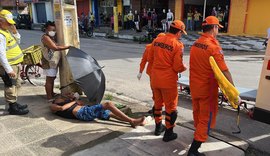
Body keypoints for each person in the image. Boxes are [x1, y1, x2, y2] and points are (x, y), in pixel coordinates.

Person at [188, 16, 241, 156]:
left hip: (194, 87)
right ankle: (194, 150)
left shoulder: (195, 44)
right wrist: (234, 91)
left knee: (197, 113)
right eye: (218, 28)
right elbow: (224, 71)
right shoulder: (213, 47)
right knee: (206, 117)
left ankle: (198, 133)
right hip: (207, 90)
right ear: (214, 28)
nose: (218, 30)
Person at [149, 20, 187, 142]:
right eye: (182, 32)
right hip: (168, 81)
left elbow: (150, 58)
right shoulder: (178, 45)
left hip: (155, 79)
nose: (181, 35)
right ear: (179, 32)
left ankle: (158, 128)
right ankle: (169, 133)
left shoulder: (156, 41)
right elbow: (177, 67)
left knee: (158, 104)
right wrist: (184, 67)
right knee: (171, 108)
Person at [50, 95, 146, 128]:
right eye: (60, 98)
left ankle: (132, 121)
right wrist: (74, 101)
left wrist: (76, 101)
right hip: (82, 113)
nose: (62, 98)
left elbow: (81, 105)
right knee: (108, 104)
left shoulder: (68, 102)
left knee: (110, 113)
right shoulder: (53, 105)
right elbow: (62, 109)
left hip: (85, 110)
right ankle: (133, 121)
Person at [0, 9, 29, 115]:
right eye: (8, 23)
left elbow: (18, 41)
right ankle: (12, 107)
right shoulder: (0, 35)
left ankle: (14, 103)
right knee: (10, 86)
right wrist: (8, 69)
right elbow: (1, 54)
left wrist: (15, 31)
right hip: (9, 66)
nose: (10, 25)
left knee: (17, 84)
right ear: (0, 22)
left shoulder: (6, 31)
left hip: (15, 64)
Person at [41, 21, 70, 101]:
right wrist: (68, 47)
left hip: (53, 62)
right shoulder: (45, 37)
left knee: (52, 78)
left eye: (54, 30)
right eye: (51, 30)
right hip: (48, 62)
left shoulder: (52, 37)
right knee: (49, 79)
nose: (53, 32)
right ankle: (49, 97)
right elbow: (55, 48)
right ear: (46, 30)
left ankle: (51, 93)